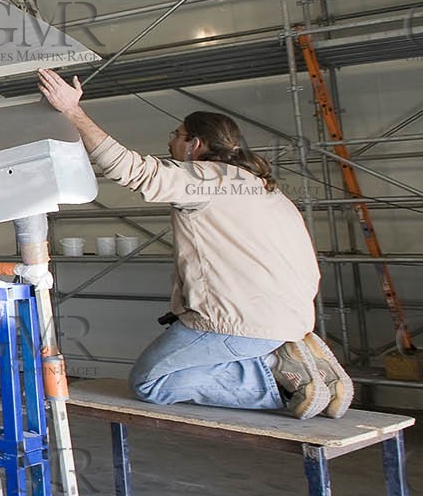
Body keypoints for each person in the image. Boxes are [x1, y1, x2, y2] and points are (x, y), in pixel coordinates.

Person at [37, 67, 353, 418]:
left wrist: (73, 112)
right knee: (179, 372)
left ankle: (285, 378)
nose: (170, 141)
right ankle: (292, 363)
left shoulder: (206, 178)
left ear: (195, 145)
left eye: (177, 135)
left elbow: (136, 172)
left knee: (151, 382)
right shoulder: (261, 187)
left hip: (242, 322)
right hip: (289, 317)